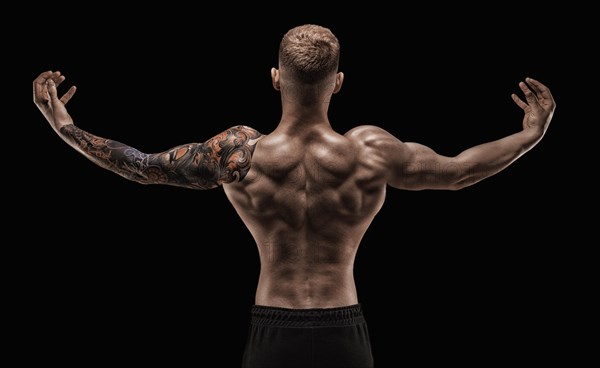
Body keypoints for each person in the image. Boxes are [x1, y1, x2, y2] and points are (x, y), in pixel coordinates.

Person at [33, 24, 555, 368]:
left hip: (272, 332)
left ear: (277, 78)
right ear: (339, 82)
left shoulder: (237, 152)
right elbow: (459, 172)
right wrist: (530, 135)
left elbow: (144, 168)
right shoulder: (369, 152)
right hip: (344, 330)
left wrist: (66, 128)